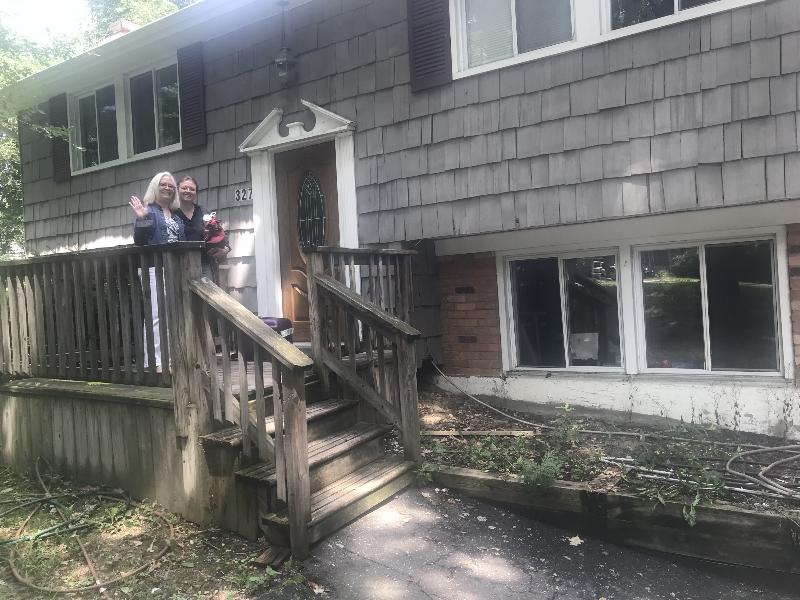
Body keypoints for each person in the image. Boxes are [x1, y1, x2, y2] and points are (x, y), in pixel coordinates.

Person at [129, 172, 184, 372]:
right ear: (155, 186)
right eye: (163, 184)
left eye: (171, 185)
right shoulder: (149, 210)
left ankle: (171, 358)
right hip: (154, 268)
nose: (167, 188)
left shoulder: (175, 215)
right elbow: (140, 241)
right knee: (156, 315)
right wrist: (142, 219)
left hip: (175, 268)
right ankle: (155, 362)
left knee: (171, 314)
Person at [175, 175, 229, 280]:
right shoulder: (172, 213)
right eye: (184, 188)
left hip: (204, 264)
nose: (188, 191)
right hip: (179, 265)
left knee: (207, 290)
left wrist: (225, 248)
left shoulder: (203, 212)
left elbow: (219, 233)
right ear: (177, 190)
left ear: (196, 192)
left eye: (192, 189)